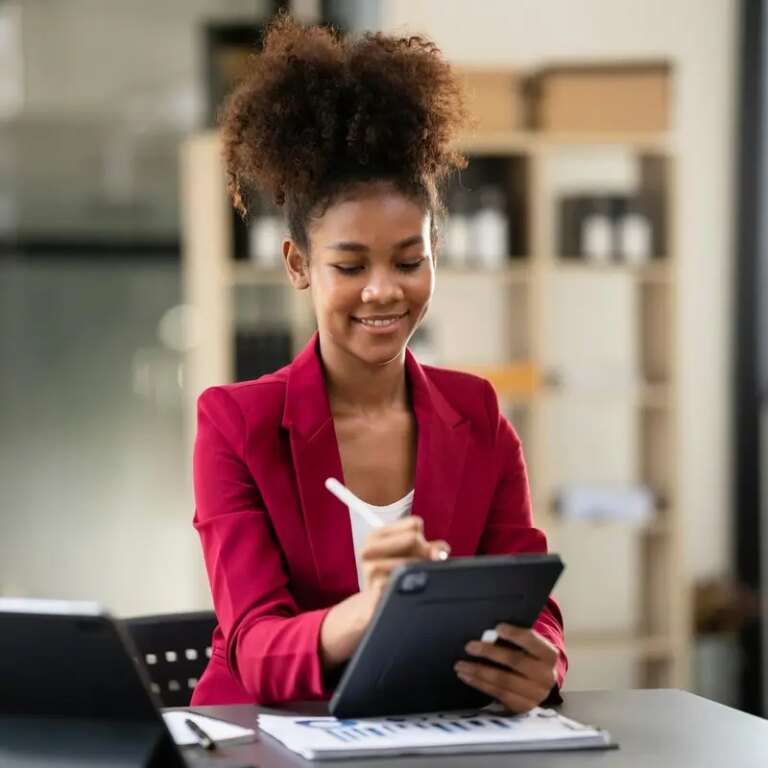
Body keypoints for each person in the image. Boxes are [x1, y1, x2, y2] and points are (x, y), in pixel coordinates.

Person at [191, 14, 566, 713]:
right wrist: (369, 612)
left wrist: (544, 660)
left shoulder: (476, 415)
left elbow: (527, 592)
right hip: (266, 737)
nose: (384, 290)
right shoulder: (237, 424)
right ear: (299, 264)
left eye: (409, 260)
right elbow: (254, 644)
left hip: (429, 729)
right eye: (350, 264)